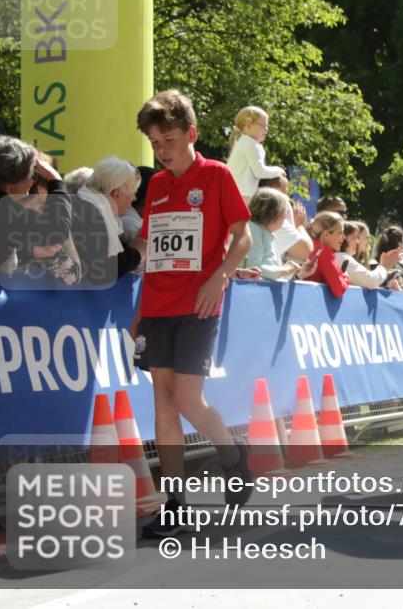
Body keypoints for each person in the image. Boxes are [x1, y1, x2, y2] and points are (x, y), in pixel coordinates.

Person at [132, 90, 255, 538]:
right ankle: (175, 504)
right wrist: (136, 303)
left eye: (168, 140)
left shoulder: (217, 175)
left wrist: (220, 276)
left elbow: (243, 237)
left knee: (187, 400)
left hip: (199, 302)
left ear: (191, 134)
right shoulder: (157, 186)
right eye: (154, 143)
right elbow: (151, 247)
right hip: (157, 304)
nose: (161, 150)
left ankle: (233, 456)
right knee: (162, 401)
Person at [0, 136, 72, 273]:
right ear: (13, 183)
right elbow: (58, 230)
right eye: (34, 175)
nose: (33, 182)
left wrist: (30, 251)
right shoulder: (4, 210)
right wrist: (55, 180)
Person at [69, 157, 146, 286]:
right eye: (133, 192)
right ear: (116, 193)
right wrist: (138, 252)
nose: (134, 198)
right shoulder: (90, 213)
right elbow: (102, 270)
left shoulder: (84, 205)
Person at [242, 188, 304, 281]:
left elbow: (272, 275)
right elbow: (251, 270)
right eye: (284, 212)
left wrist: (297, 273)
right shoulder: (253, 228)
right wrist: (285, 270)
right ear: (274, 213)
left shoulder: (265, 232)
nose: (285, 217)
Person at [226, 106, 285, 202]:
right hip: (242, 195)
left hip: (235, 193)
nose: (266, 129)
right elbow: (259, 171)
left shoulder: (243, 142)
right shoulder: (250, 144)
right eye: (263, 126)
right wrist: (278, 170)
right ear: (249, 126)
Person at [336, 220, 401, 289]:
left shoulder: (342, 257)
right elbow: (370, 281)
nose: (357, 241)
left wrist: (387, 287)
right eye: (355, 237)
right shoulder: (342, 257)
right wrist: (384, 267)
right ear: (343, 238)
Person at [304, 210, 349, 298]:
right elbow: (339, 289)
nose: (344, 237)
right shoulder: (324, 252)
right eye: (340, 233)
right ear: (326, 234)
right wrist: (345, 277)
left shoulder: (311, 245)